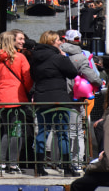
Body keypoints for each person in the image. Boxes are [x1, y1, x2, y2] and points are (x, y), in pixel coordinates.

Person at [31, 30, 79, 177]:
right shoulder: (58, 57)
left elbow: (33, 76)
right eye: (58, 40)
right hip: (59, 99)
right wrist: (64, 57)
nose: (61, 42)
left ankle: (39, 167)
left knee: (42, 132)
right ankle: (67, 167)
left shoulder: (35, 58)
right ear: (52, 42)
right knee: (63, 132)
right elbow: (72, 73)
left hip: (42, 99)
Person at [0, 32, 33, 174]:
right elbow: (27, 78)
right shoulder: (20, 57)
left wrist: (0, 89)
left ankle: (1, 164)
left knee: (5, 132)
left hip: (2, 100)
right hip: (18, 100)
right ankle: (13, 164)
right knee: (16, 132)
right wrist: (26, 91)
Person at [61, 29, 102, 172]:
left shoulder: (58, 54)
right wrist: (99, 82)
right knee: (77, 131)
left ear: (64, 39)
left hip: (57, 96)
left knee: (56, 129)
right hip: (75, 98)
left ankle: (56, 161)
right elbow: (91, 76)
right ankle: (76, 162)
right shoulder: (80, 57)